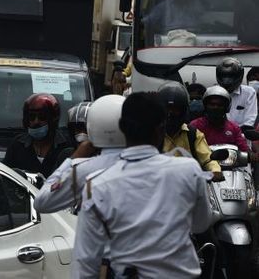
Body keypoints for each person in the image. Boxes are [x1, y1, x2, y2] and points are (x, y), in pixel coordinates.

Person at [73, 92, 212, 279]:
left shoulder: (97, 185)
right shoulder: (189, 170)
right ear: (161, 129)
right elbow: (200, 224)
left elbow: (86, 261)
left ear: (122, 128)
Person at [35, 94, 125, 215]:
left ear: (93, 127)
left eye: (83, 128)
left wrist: (73, 160)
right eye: (76, 129)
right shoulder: (153, 166)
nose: (80, 134)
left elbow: (42, 202)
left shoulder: (83, 169)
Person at [158, 83, 223, 180]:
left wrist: (215, 171)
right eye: (167, 109)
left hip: (187, 185)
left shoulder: (192, 134)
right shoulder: (151, 133)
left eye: (175, 109)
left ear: (183, 111)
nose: (170, 114)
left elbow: (208, 159)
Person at [3, 93, 73, 178]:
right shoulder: (17, 145)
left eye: (42, 117)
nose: (36, 122)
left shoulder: (67, 147)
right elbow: (6, 176)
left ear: (52, 119)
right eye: (32, 117)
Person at [190, 86, 251, 152]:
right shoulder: (195, 126)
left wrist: (251, 155)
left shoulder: (234, 128)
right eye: (212, 104)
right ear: (205, 106)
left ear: (226, 108)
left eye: (220, 105)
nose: (215, 107)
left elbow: (244, 148)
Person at [216, 57, 257, 127]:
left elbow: (250, 119)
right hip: (218, 134)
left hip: (242, 134)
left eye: (230, 76)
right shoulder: (214, 92)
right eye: (224, 76)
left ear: (239, 76)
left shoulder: (249, 92)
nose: (227, 80)